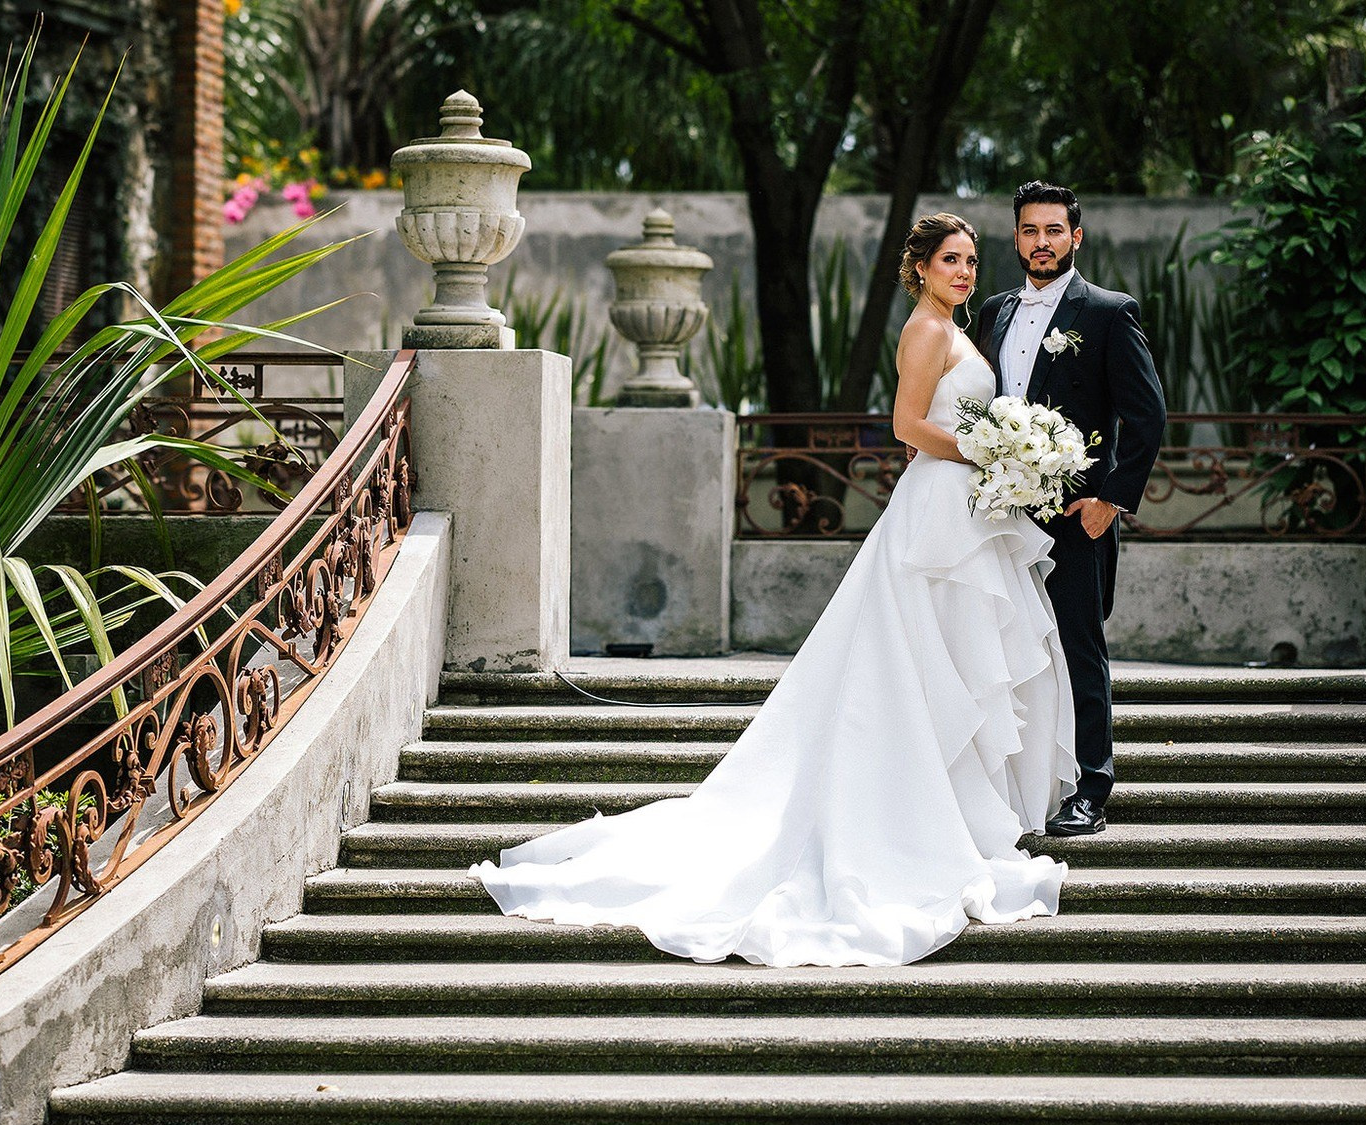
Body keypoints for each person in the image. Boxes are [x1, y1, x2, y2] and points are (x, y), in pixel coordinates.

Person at [472, 212, 1078, 969]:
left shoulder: (953, 326)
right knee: (923, 662)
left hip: (961, 510)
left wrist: (1000, 458)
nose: (965, 272)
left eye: (971, 261)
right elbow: (905, 425)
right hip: (935, 513)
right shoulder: (926, 330)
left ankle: (948, 809)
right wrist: (987, 449)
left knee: (949, 665)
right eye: (950, 260)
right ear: (919, 268)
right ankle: (911, 819)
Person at [973, 181, 1166, 837]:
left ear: (1075, 237)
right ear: (1017, 237)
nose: (1042, 241)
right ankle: (1008, 783)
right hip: (1000, 517)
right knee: (1001, 646)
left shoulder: (1109, 313)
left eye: (1054, 230)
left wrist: (1111, 500)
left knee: (1078, 647)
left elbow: (1148, 417)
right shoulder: (993, 312)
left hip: (1075, 516)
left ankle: (1091, 786)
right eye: (1030, 230)